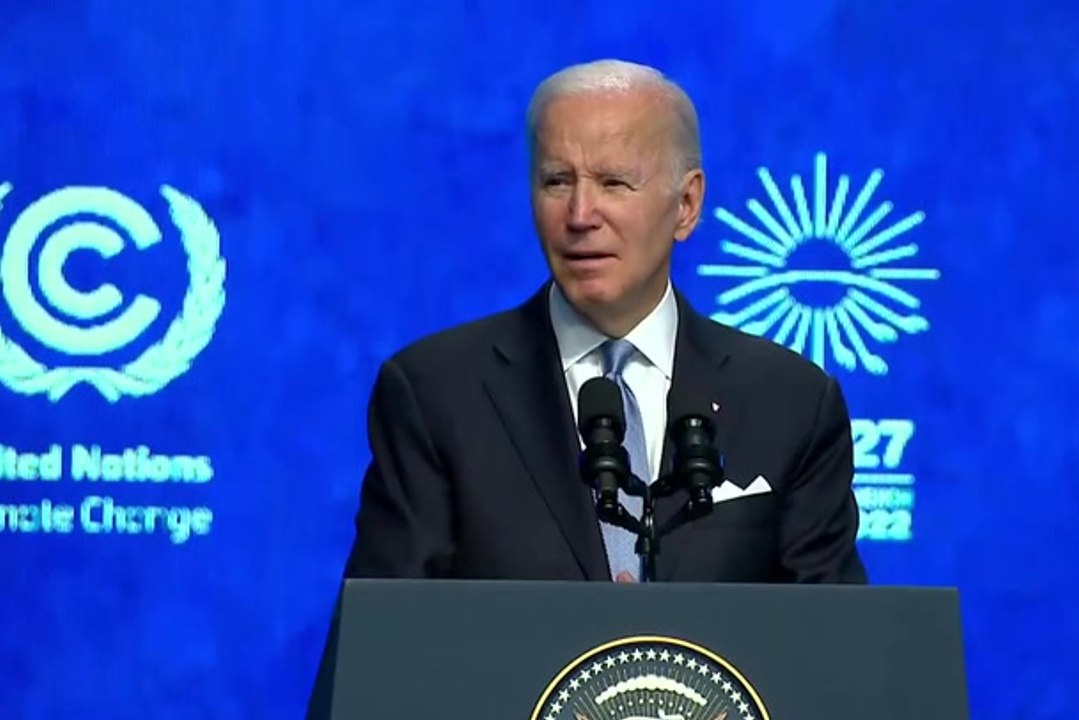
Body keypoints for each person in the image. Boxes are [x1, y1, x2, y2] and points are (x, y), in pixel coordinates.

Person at [336, 58, 868, 586]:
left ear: (687, 204)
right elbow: (385, 652)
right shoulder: (436, 394)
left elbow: (833, 650)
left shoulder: (791, 402)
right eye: (556, 182)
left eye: (613, 182)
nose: (581, 214)